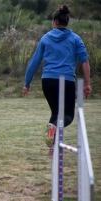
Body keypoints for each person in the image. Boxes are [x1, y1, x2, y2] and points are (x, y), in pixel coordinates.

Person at [23, 4, 91, 155]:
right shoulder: (75, 39)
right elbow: (85, 61)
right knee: (67, 116)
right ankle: (53, 128)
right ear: (67, 22)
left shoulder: (46, 38)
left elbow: (34, 62)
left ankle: (53, 148)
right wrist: (87, 83)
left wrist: (27, 83)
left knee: (56, 113)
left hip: (48, 81)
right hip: (66, 81)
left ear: (54, 21)